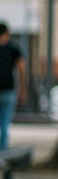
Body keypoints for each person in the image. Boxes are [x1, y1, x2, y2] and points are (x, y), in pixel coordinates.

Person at [0, 22, 26, 151]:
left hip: (7, 91)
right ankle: (3, 150)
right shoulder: (13, 48)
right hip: (8, 90)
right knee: (4, 122)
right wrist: (22, 89)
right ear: (7, 33)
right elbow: (21, 69)